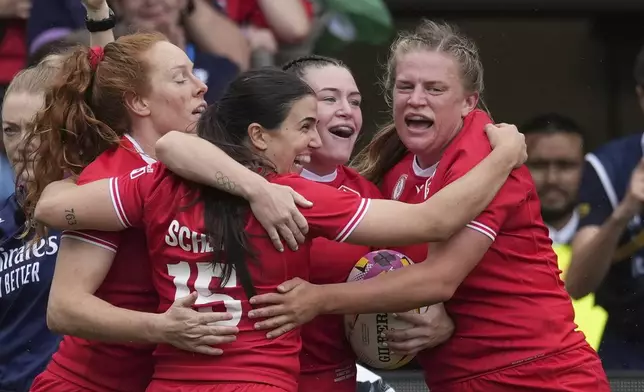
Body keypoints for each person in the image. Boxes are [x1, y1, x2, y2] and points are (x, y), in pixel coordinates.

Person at [33, 67, 527, 392]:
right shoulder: (296, 199)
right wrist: (503, 156)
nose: (313, 141)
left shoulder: (156, 184)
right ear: (258, 135)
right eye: (303, 126)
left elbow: (56, 208)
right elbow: (433, 220)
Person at [244, 20, 610, 392]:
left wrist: (317, 300)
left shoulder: (487, 158)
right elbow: (384, 275)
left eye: (434, 89)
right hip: (453, 378)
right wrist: (445, 322)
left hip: (539, 374)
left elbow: (439, 279)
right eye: (406, 87)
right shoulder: (391, 173)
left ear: (469, 100)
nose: (416, 99)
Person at [24, 28, 240, 392]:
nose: (201, 86)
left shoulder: (198, 162)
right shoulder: (113, 173)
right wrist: (162, 328)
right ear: (139, 103)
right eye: (179, 77)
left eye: (194, 72)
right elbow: (64, 308)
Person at [282, 55, 452, 391]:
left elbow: (417, 280)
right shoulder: (247, 181)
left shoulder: (368, 195)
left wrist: (442, 321)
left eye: (355, 101)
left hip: (333, 381)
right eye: (329, 98)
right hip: (250, 375)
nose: (347, 109)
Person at [566, 43, 644, 370]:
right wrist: (627, 209)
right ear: (641, 96)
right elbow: (577, 285)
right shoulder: (608, 165)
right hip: (630, 348)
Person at [0, 59, 63, 392]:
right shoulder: (3, 221)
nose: (22, 145)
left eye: (37, 128)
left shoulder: (94, 203)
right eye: (11, 130)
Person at [522, 113, 607, 351]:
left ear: (587, 168)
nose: (552, 178)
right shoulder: (492, 241)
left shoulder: (614, 239)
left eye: (565, 165)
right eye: (538, 165)